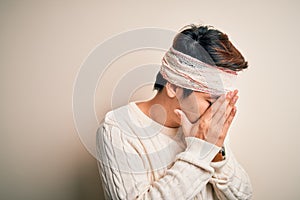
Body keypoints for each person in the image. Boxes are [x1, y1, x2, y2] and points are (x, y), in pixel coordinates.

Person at [96, 24, 253, 200]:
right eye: (210, 101)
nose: (218, 111)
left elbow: (243, 197)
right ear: (173, 87)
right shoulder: (117, 130)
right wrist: (198, 153)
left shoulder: (208, 126)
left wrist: (216, 152)